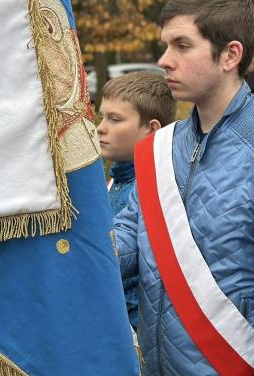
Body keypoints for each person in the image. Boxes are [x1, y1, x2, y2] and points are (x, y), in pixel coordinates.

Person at [115, 0, 254, 376]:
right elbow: (126, 240)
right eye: (164, 47)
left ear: (231, 54)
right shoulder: (161, 148)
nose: (164, 61)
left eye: (182, 46)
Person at [97, 71, 177, 328]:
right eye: (102, 116)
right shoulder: (114, 180)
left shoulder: (153, 190)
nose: (101, 127)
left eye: (115, 119)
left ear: (151, 130)